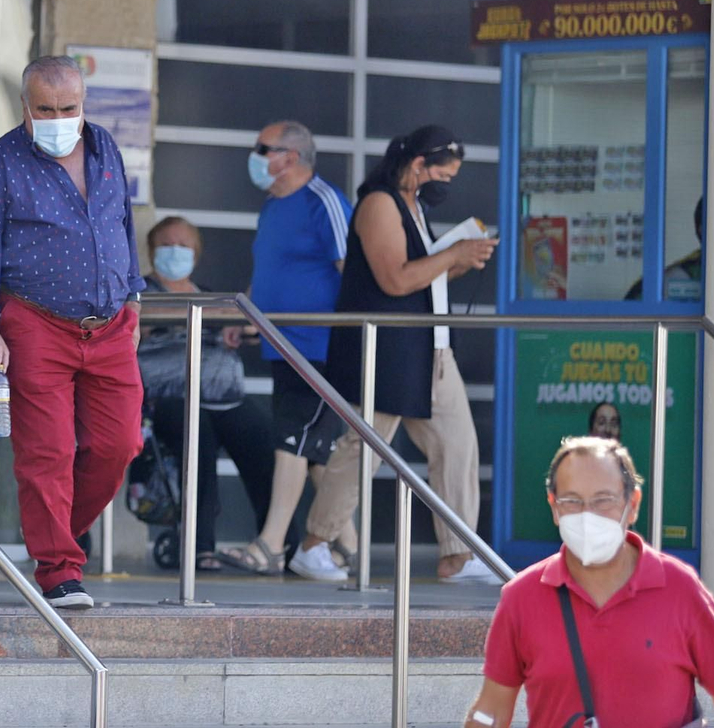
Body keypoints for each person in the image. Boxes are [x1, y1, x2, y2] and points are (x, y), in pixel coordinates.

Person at [0, 54, 145, 611]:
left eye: (70, 108)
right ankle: (59, 570)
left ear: (84, 104)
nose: (60, 117)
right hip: (36, 322)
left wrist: (133, 301)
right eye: (46, 109)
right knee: (48, 453)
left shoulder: (105, 145)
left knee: (120, 445)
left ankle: (57, 532)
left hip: (110, 325)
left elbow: (124, 223)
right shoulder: (1, 161)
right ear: (25, 106)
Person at [297, 125, 499, 584]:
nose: (446, 186)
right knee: (366, 447)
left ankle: (458, 554)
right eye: (442, 176)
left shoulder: (414, 206)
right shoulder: (379, 203)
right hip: (388, 350)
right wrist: (452, 256)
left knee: (457, 445)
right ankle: (315, 543)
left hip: (429, 346)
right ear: (417, 166)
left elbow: (420, 275)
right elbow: (395, 280)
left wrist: (458, 260)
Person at [465, 437, 714, 728]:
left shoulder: (681, 589)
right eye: (572, 501)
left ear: (632, 504)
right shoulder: (522, 598)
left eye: (603, 500)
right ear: (554, 507)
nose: (587, 514)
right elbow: (491, 710)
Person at [234, 121, 353, 578]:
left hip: (319, 347)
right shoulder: (271, 207)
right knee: (316, 453)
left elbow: (353, 273)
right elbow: (270, 273)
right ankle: (350, 548)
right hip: (280, 345)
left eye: (263, 148)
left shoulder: (325, 201)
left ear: (291, 156)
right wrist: (247, 319)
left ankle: (270, 545)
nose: (255, 155)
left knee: (292, 440)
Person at [138, 216, 281, 571]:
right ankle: (199, 546)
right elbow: (147, 318)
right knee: (196, 434)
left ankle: (279, 543)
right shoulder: (141, 291)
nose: (176, 252)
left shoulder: (208, 293)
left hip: (222, 394)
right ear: (153, 251)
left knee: (264, 440)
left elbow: (240, 325)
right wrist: (223, 312)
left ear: (197, 254)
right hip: (169, 396)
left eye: (184, 246)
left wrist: (235, 329)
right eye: (167, 244)